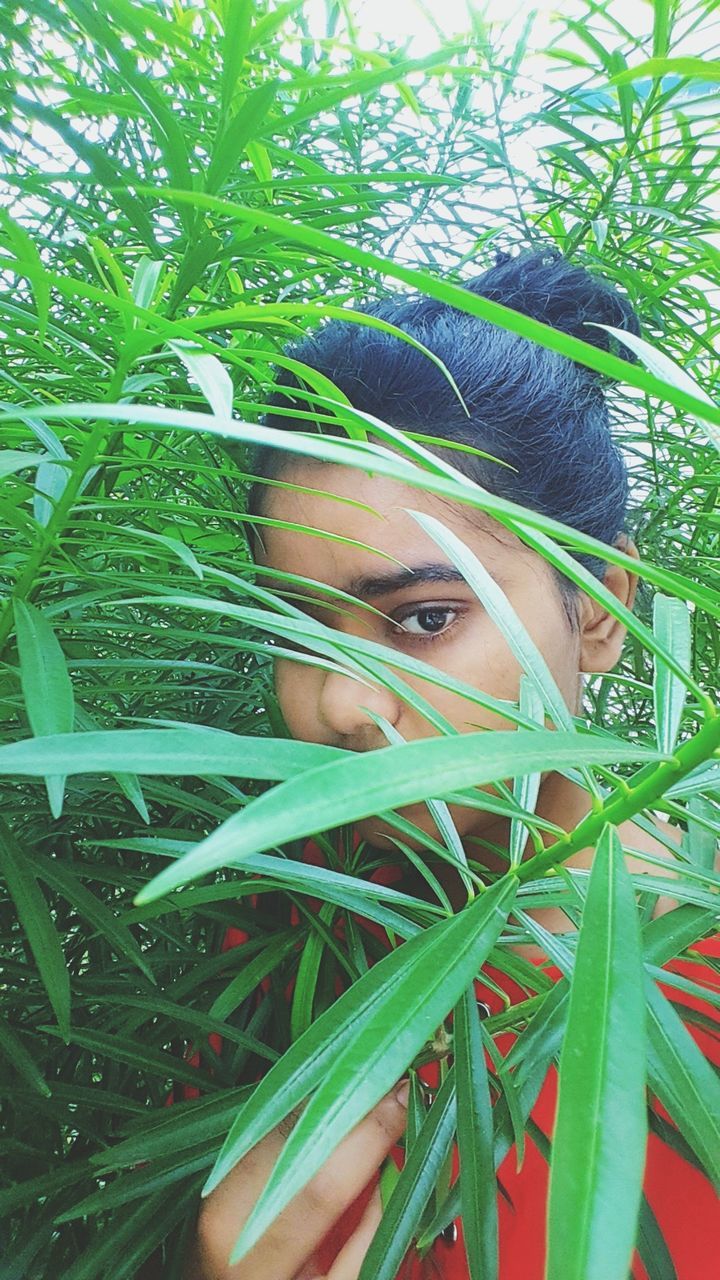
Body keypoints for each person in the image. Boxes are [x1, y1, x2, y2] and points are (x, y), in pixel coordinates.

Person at [184, 251, 719, 1280]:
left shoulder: (695, 979)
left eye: (426, 618)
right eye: (297, 634)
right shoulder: (293, 918)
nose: (339, 702)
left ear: (600, 603)